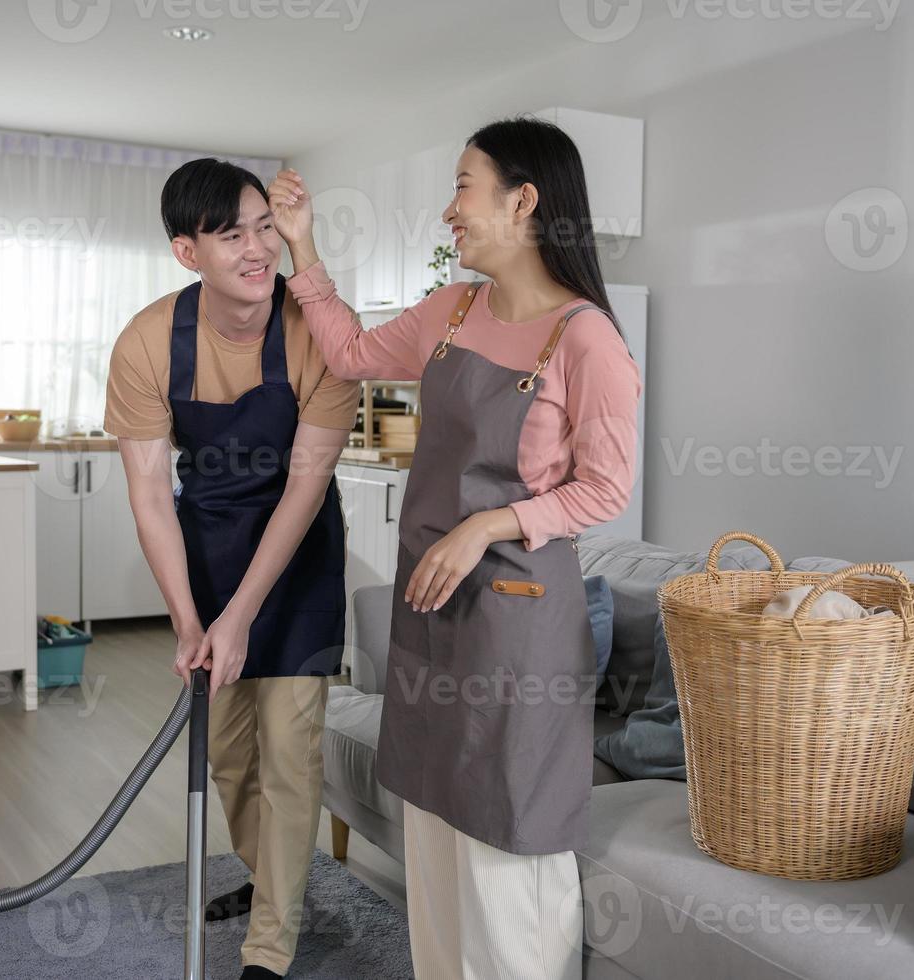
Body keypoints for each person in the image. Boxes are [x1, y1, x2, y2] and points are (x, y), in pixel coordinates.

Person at [268, 116, 643, 980]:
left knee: (505, 831)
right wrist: (302, 244)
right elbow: (352, 353)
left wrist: (488, 523)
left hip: (517, 620)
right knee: (433, 823)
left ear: (523, 200)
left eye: (463, 186)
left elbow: (605, 488)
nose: (449, 210)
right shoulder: (454, 309)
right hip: (431, 604)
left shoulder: (585, 339)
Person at [104, 157, 359, 980]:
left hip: (298, 555)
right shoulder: (148, 341)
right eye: (231, 235)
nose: (258, 250)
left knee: (291, 747)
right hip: (207, 548)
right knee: (227, 755)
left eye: (264, 227)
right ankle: (270, 880)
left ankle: (269, 948)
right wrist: (187, 617)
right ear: (188, 253)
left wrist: (243, 614)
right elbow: (148, 491)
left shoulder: (319, 330)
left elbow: (305, 480)